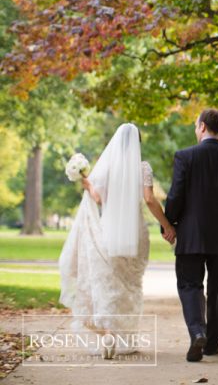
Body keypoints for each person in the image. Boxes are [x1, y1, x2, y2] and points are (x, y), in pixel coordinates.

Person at [58, 123, 176, 359]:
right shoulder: (143, 167)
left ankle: (109, 333)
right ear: (137, 144)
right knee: (131, 283)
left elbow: (99, 198)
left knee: (111, 282)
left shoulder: (107, 167)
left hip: (110, 230)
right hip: (136, 233)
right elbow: (150, 199)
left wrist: (87, 182)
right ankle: (125, 336)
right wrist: (167, 225)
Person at [165, 108, 218, 362]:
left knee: (190, 285)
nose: (195, 130)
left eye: (195, 126)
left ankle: (197, 332)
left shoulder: (185, 156)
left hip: (191, 235)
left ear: (202, 126)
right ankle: (212, 344)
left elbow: (175, 196)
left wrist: (168, 225)